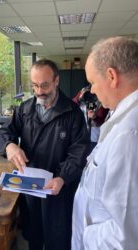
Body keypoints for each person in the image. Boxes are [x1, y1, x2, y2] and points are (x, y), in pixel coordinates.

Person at [0, 59, 90, 250]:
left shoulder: (73, 113)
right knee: (34, 235)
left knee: (58, 237)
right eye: (35, 85)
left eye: (44, 85)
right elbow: (3, 134)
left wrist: (63, 177)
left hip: (58, 187)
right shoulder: (25, 109)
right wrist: (10, 145)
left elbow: (79, 152)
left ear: (56, 81)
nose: (39, 91)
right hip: (31, 186)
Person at [71, 36, 138, 250]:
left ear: (111, 76)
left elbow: (125, 237)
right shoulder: (121, 115)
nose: (91, 90)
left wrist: (87, 234)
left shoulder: (129, 134)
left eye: (92, 82)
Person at [73, 87, 109, 151]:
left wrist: (94, 117)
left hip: (94, 137)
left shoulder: (99, 100)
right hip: (80, 135)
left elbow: (103, 122)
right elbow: (73, 103)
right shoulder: (84, 91)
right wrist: (79, 98)